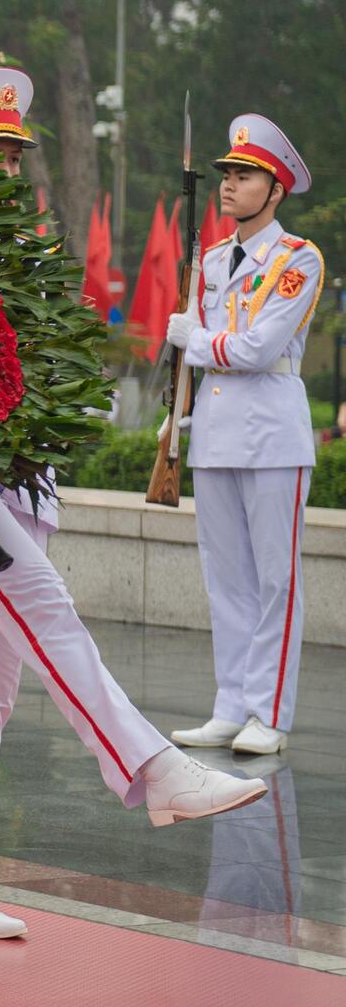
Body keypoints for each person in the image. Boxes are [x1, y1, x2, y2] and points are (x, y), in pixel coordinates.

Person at [0, 70, 268, 940]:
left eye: (13, 154)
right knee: (48, 612)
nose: (4, 167)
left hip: (13, 475)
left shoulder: (10, 244)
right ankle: (152, 768)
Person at [166, 114, 323, 758]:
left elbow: (258, 348)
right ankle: (232, 704)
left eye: (245, 175)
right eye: (227, 174)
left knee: (275, 581)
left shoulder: (297, 260)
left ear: (275, 189)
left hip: (273, 435)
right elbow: (201, 364)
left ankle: (270, 712)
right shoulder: (208, 259)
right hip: (217, 432)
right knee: (224, 578)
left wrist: (194, 340)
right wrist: (178, 413)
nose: (229, 185)